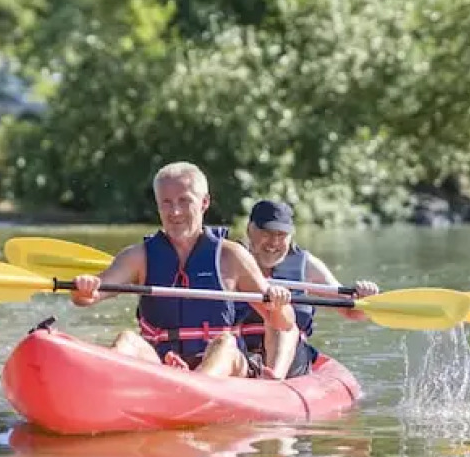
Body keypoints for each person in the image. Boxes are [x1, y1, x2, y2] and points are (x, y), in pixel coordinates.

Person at [70, 162, 296, 377]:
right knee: (127, 339)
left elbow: (283, 323)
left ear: (204, 203)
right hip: (162, 362)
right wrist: (84, 289)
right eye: (166, 202)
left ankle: (196, 385)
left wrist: (278, 305)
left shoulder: (232, 256)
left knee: (225, 344)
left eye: (184, 201)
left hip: (221, 365)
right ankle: (108, 387)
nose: (175, 212)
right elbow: (87, 298)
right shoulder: (138, 257)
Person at [236, 200, 380, 379]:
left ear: (291, 236)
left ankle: (273, 380)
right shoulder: (231, 260)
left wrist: (366, 300)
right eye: (267, 233)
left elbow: (351, 313)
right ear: (250, 230)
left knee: (283, 320)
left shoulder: (308, 266)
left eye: (282, 235)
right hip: (241, 354)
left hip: (291, 361)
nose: (274, 242)